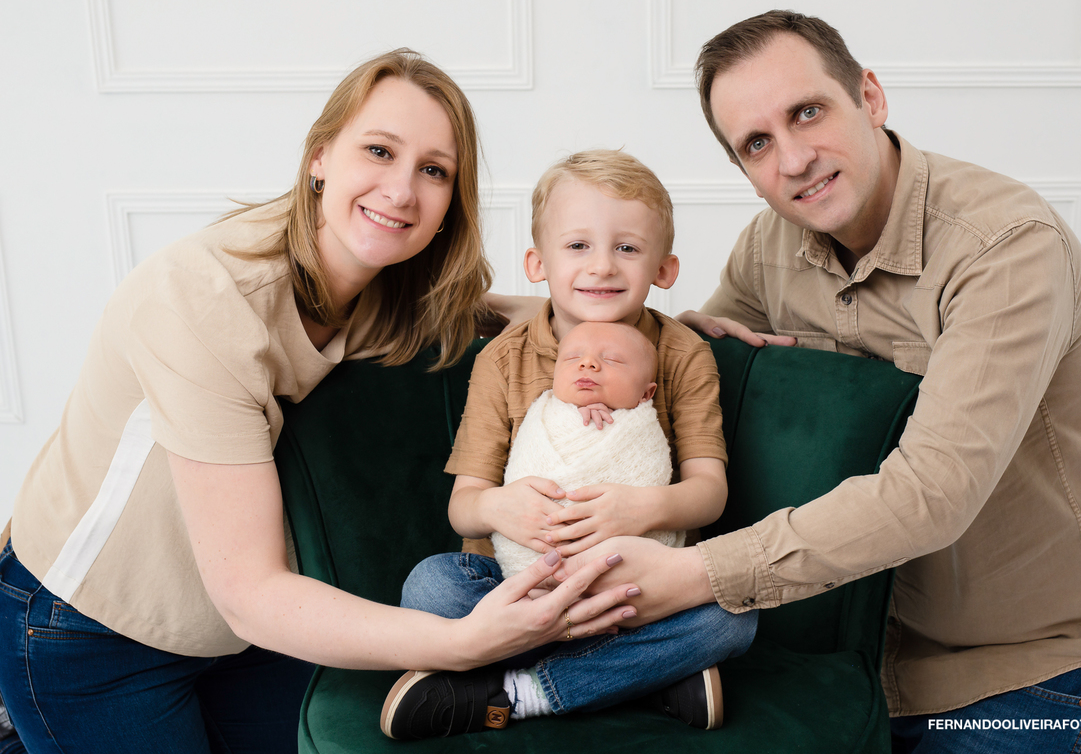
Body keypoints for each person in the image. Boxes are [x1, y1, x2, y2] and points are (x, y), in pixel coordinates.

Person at [546, 11, 1081, 753]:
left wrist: (693, 576)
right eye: (757, 143)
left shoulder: (1005, 249)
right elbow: (663, 356)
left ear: (870, 97)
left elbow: (930, 496)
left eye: (808, 112)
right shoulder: (772, 244)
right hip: (861, 640)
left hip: (1040, 658)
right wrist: (497, 310)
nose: (795, 158)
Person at [0, 50, 639, 754]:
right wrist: (464, 642)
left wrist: (651, 330)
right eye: (379, 150)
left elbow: (488, 312)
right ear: (319, 157)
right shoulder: (204, 300)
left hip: (243, 635)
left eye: (433, 170)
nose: (401, 190)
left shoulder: (380, 287)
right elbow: (250, 592)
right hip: (90, 627)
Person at [385, 150, 757, 740]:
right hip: (514, 582)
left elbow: (709, 494)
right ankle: (643, 675)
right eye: (578, 246)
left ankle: (520, 690)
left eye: (628, 248)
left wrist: (644, 509)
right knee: (430, 586)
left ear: (664, 268)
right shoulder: (504, 358)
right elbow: (465, 505)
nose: (603, 267)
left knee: (733, 618)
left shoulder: (683, 353)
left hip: (631, 586)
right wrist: (499, 508)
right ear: (538, 263)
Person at [490, 320, 683, 579]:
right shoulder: (544, 414)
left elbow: (650, 473)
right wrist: (574, 420)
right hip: (531, 563)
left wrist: (603, 427)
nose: (587, 364)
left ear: (646, 394)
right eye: (572, 357)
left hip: (622, 573)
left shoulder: (642, 428)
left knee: (723, 615)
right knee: (434, 577)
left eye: (613, 359)